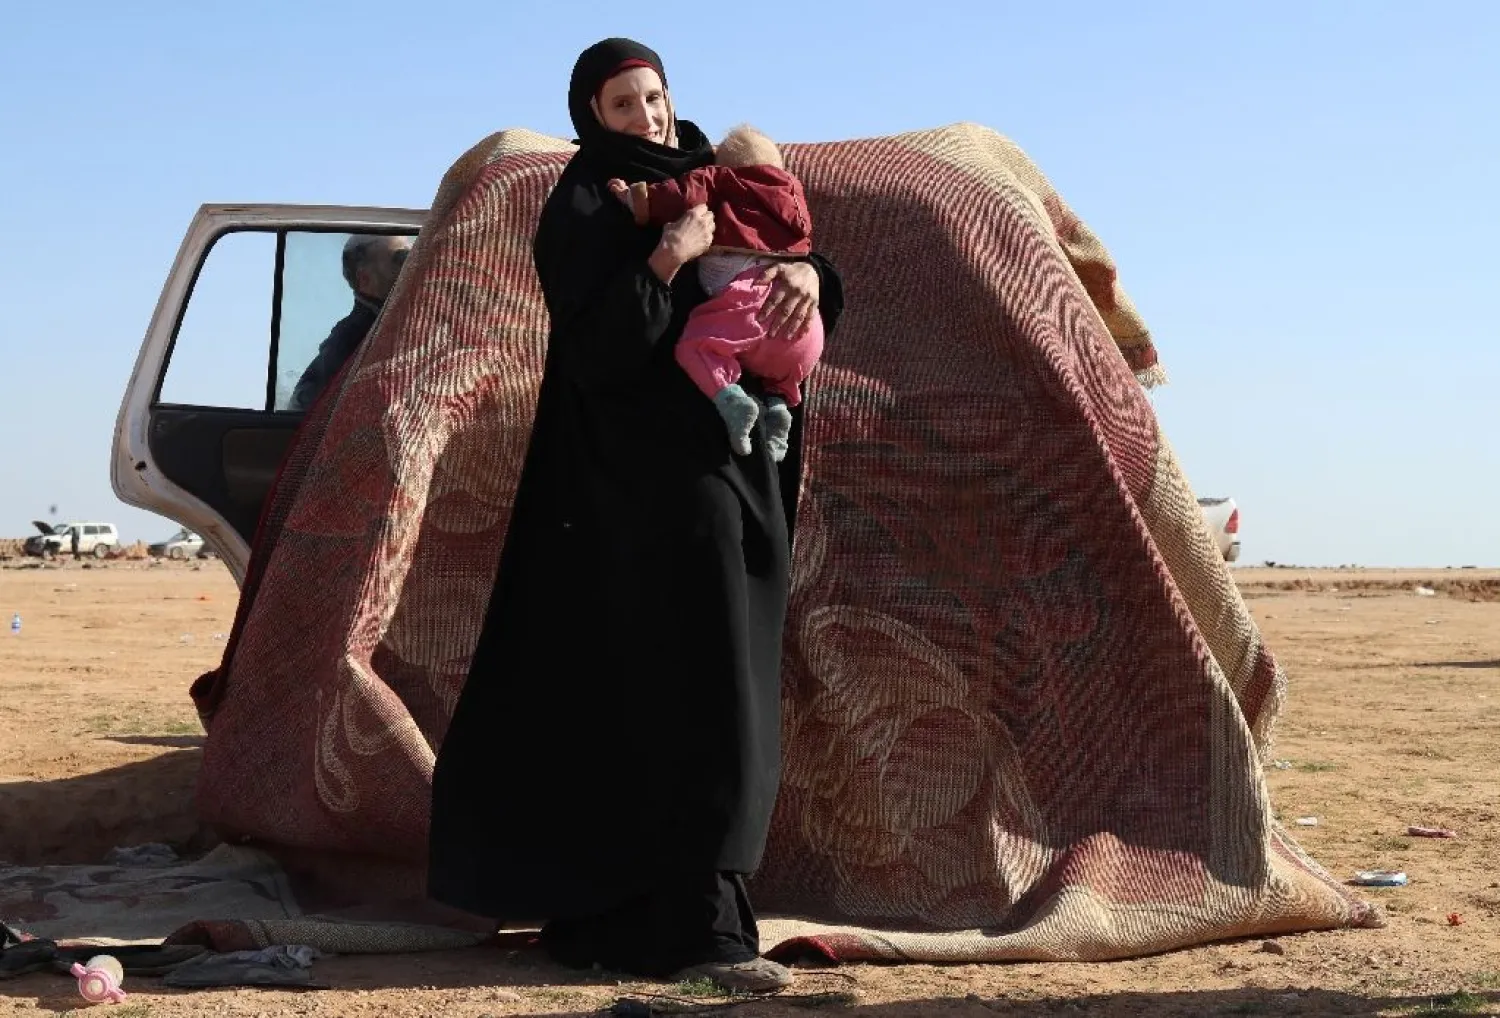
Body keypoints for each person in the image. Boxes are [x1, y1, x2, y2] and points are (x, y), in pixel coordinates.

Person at [427, 38, 844, 992]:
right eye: (624, 105)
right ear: (591, 114)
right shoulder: (583, 206)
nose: (648, 118)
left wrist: (813, 277)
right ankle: (685, 932)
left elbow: (786, 254)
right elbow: (602, 351)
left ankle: (701, 916)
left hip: (731, 476)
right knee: (659, 700)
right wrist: (665, 255)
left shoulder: (713, 171)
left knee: (729, 699)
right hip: (624, 501)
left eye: (654, 98)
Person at [608, 123, 822, 461]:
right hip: (805, 334)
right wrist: (809, 268)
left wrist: (633, 199)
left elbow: (677, 196)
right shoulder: (792, 194)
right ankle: (779, 404)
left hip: (749, 304)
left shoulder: (717, 180)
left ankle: (731, 400)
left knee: (695, 346)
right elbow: (803, 251)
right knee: (777, 375)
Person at [287, 233, 412, 412]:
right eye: (400, 258)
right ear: (365, 279)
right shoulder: (352, 338)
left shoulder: (405, 323)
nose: (413, 263)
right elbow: (304, 408)